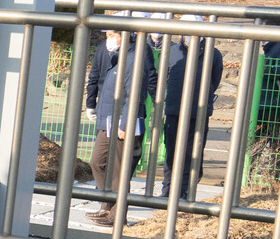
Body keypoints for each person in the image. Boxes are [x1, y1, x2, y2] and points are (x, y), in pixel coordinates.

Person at [84, 23, 159, 223]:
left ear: (123, 36)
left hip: (122, 123)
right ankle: (106, 205)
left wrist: (125, 124)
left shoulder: (135, 59)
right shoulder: (117, 58)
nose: (108, 39)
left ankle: (117, 216)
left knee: (119, 169)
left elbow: (134, 95)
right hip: (108, 120)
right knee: (98, 163)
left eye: (111, 35)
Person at [160, 13, 224, 201]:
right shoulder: (172, 52)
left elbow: (215, 78)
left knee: (192, 152)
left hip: (198, 112)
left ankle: (186, 191)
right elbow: (165, 76)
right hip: (174, 109)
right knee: (171, 151)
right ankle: (168, 190)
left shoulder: (213, 54)